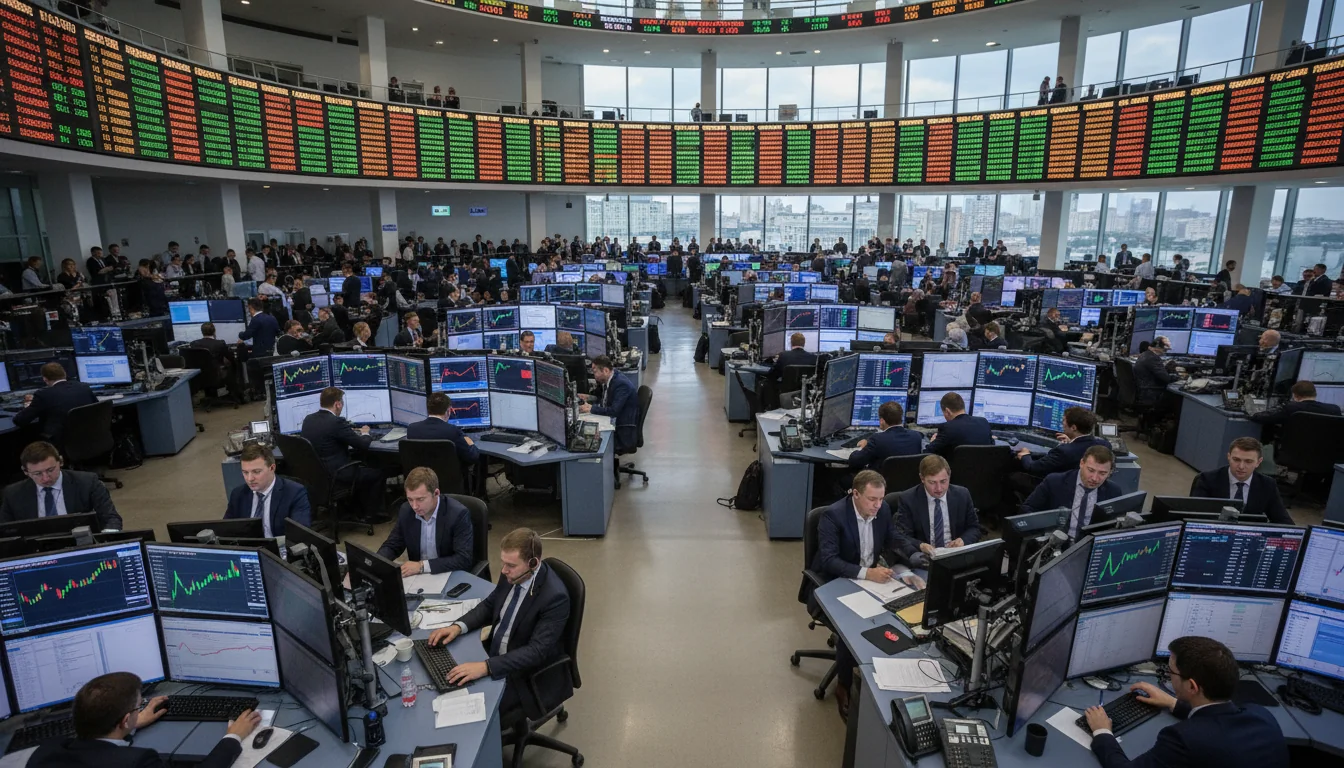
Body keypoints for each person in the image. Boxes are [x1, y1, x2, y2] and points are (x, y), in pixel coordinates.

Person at [813, 471, 925, 719]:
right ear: (855, 494)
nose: (878, 505)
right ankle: (843, 686)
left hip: (871, 580)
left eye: (881, 499)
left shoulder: (882, 510)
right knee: (851, 628)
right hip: (837, 580)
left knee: (901, 612)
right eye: (872, 499)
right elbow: (829, 561)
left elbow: (893, 538)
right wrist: (867, 573)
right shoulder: (833, 515)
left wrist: (912, 558)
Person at [1083, 636, 1288, 768]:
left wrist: (1102, 732)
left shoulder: (1184, 738)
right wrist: (1173, 703)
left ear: (1192, 686)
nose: (1168, 676)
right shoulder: (1261, 716)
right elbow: (1218, 719)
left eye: (1170, 671)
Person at [427, 528, 571, 715]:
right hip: (495, 652)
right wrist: (458, 627)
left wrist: (486, 667)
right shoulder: (512, 575)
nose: (503, 571)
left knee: (470, 713)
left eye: (510, 565)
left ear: (533, 563)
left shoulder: (554, 597)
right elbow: (490, 605)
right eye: (503, 563)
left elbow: (536, 652)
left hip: (523, 673)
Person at [21, 671, 260, 768]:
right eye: (138, 707)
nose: (140, 710)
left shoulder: (45, 753)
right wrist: (233, 736)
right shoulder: (136, 762)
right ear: (125, 719)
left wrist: (132, 726)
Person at [300, 387, 385, 522]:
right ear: (337, 404)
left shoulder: (308, 419)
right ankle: (373, 515)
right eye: (342, 403)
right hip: (338, 475)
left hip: (317, 477)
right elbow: (362, 445)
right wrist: (365, 433)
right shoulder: (336, 422)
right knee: (377, 473)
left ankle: (352, 509)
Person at [0, 440, 123, 530]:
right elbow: (6, 531)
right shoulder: (12, 494)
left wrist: (106, 542)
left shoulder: (87, 482)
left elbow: (111, 519)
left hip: (82, 545)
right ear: (25, 472)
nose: (46, 478)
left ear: (61, 462)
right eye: (37, 473)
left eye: (50, 470)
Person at [378, 467, 474, 577]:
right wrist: (377, 563)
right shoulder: (406, 511)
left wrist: (422, 566)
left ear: (436, 493)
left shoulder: (458, 514)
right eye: (410, 499)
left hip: (448, 575)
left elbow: (463, 559)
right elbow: (393, 545)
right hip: (418, 578)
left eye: (420, 499)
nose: (414, 506)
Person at [893, 455, 981, 566]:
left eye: (943, 481)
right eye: (932, 483)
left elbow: (974, 528)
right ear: (922, 478)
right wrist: (921, 545)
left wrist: (963, 540)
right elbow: (901, 536)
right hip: (926, 560)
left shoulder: (962, 494)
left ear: (949, 476)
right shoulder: (908, 499)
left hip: (956, 557)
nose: (939, 488)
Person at [1021, 446, 1124, 538]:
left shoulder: (1113, 491)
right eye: (1091, 470)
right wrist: (1046, 530)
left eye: (1102, 473)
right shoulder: (1054, 482)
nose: (1095, 478)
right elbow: (1027, 509)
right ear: (1081, 463)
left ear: (1110, 472)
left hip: (1089, 546)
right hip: (1056, 542)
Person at [1189, 437, 1291, 524]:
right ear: (1229, 457)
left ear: (1258, 462)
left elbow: (1283, 521)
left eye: (1248, 461)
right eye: (1236, 460)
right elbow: (1194, 518)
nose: (1241, 466)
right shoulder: (1207, 480)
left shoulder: (1267, 485)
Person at [223, 443, 310, 537]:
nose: (249, 478)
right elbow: (226, 530)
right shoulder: (238, 494)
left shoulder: (294, 493)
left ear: (272, 468)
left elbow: (300, 535)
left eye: (256, 472)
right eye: (245, 472)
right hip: (248, 549)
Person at [12, 363, 96, 447]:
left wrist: (30, 407)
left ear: (45, 379)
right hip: (91, 439)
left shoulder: (43, 395)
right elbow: (97, 407)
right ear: (64, 374)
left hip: (61, 443)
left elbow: (19, 420)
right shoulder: (84, 387)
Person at [1016, 406, 1110, 478]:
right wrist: (1072, 442)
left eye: (1064, 421)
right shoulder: (1104, 445)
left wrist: (1025, 455)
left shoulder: (1064, 451)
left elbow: (1033, 468)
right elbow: (1080, 448)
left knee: (1013, 476)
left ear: (1073, 428)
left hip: (1056, 489)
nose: (1062, 423)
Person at [579, 356, 638, 451]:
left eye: (595, 372)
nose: (594, 376)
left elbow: (614, 411)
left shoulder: (621, 385)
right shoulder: (611, 378)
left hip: (621, 428)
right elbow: (605, 399)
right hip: (611, 420)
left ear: (605, 370)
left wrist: (591, 408)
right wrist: (588, 397)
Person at [1251, 380, 1341, 442]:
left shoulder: (1291, 408)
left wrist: (1253, 412)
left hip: (1292, 454)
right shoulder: (1335, 409)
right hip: (1326, 457)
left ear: (1295, 396)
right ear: (1315, 394)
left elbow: (1261, 417)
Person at [408, 392, 481, 467]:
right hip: (448, 478)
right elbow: (473, 457)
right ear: (449, 411)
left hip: (422, 477)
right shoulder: (452, 431)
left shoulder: (412, 429)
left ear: (428, 409)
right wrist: (470, 442)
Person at [847, 402, 923, 473]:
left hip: (879, 485)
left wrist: (864, 447)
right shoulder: (916, 437)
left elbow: (855, 462)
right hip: (909, 485)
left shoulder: (877, 439)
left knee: (842, 481)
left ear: (882, 421)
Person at [189, 323, 243, 403]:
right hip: (217, 375)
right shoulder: (220, 343)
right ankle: (238, 394)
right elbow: (230, 358)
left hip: (200, 376)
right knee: (234, 365)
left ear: (202, 332)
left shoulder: (194, 344)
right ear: (214, 331)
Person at [926, 392, 992, 458]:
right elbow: (992, 446)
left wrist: (932, 443)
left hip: (956, 468)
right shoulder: (983, 422)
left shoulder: (947, 428)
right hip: (984, 467)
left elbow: (927, 454)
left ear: (947, 411)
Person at [1135, 335, 1177, 405]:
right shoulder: (1153, 358)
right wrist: (1178, 377)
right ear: (1157, 347)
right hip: (1151, 392)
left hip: (1144, 389)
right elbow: (1166, 379)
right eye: (1164, 349)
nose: (1165, 352)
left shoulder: (1145, 354)